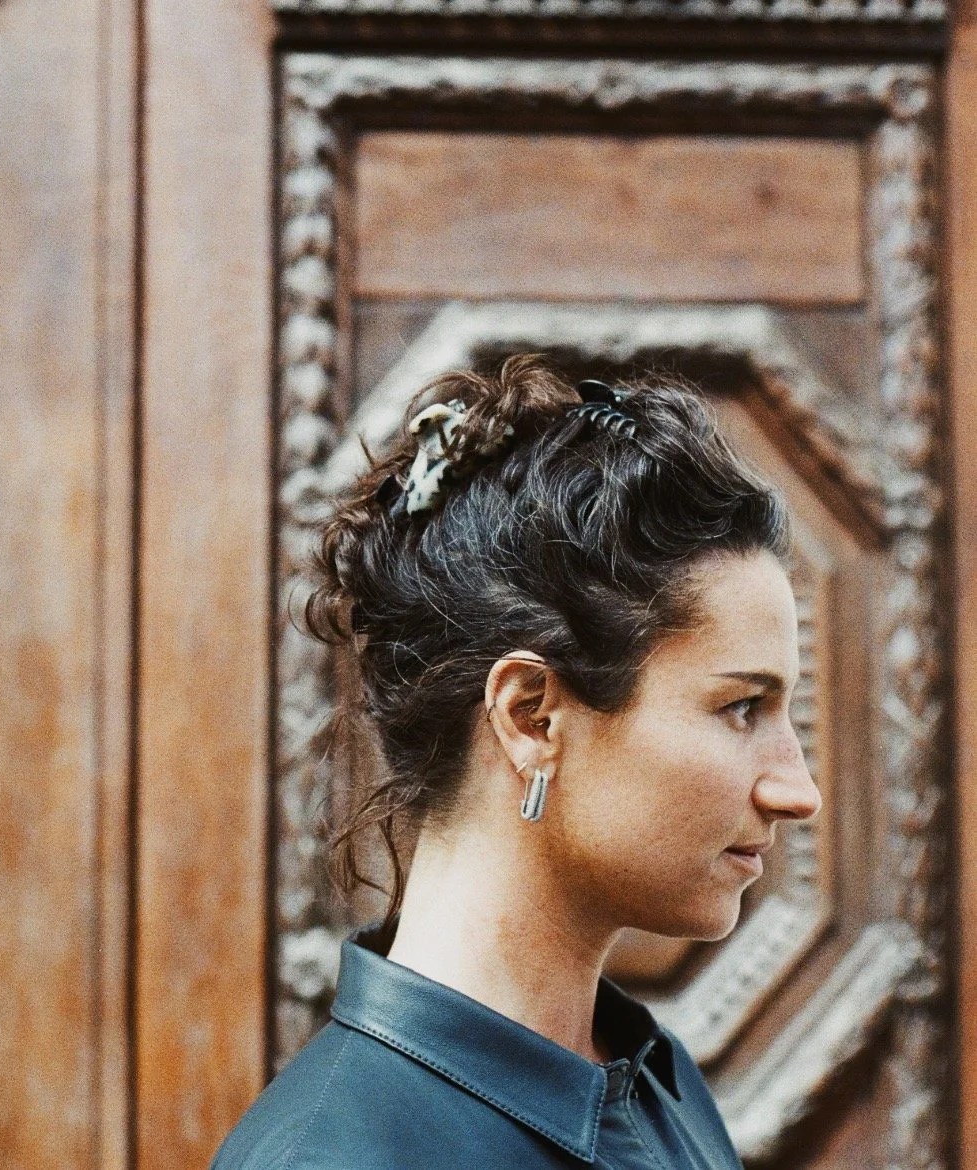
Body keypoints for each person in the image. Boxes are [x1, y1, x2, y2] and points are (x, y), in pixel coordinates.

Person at [212, 356, 821, 1169]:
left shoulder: (656, 1087)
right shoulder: (335, 1154)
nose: (797, 790)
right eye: (740, 706)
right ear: (531, 715)